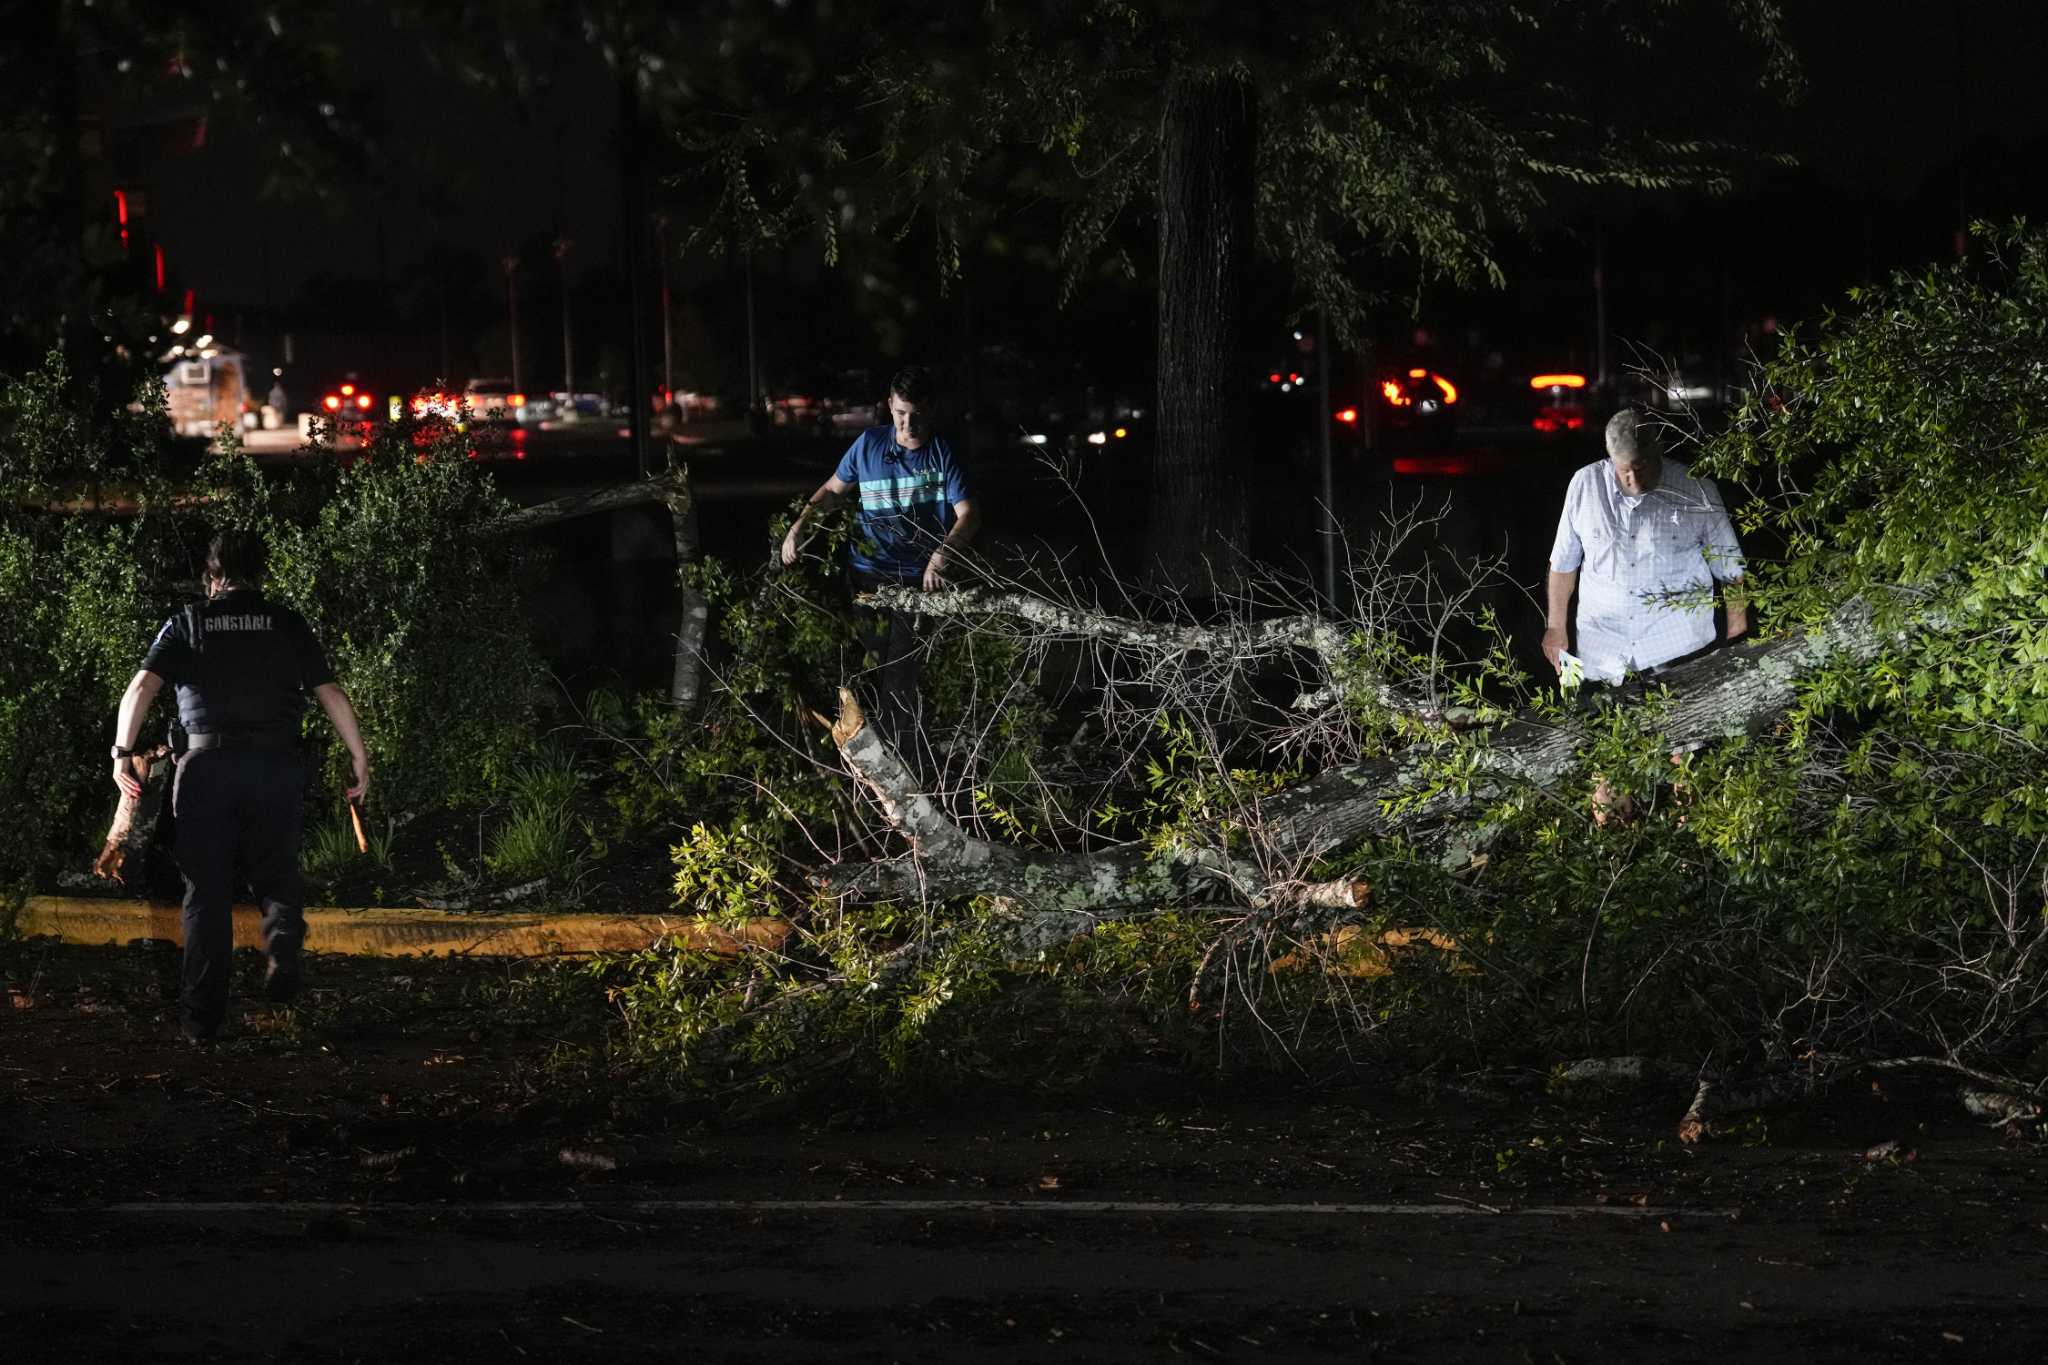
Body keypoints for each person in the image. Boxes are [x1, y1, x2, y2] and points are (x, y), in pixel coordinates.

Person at [109, 531, 369, 1044]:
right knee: (276, 874)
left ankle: (201, 1021)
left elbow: (140, 687)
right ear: (261, 575)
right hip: (274, 766)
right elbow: (331, 693)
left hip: (205, 770)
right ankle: (283, 948)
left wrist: (123, 752)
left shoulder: (186, 622)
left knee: (205, 895)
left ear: (211, 577)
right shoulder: (287, 622)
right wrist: (359, 756)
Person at [780, 365, 978, 754]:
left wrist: (942, 555)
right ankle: (863, 759)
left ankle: (901, 764)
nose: (909, 424)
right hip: (867, 578)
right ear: (890, 407)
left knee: (900, 679)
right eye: (901, 414)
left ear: (931, 410)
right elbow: (832, 491)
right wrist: (799, 526)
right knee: (868, 673)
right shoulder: (869, 445)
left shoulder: (942, 454)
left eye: (917, 414)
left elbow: (969, 514)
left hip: (916, 584)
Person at [1543, 408, 1747, 683]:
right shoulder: (1585, 484)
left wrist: (1736, 639)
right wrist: (1555, 627)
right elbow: (1563, 563)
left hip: (1679, 651)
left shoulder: (1697, 489)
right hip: (1602, 656)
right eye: (1624, 470)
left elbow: (1732, 571)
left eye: (1640, 468)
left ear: (1656, 454)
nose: (1633, 479)